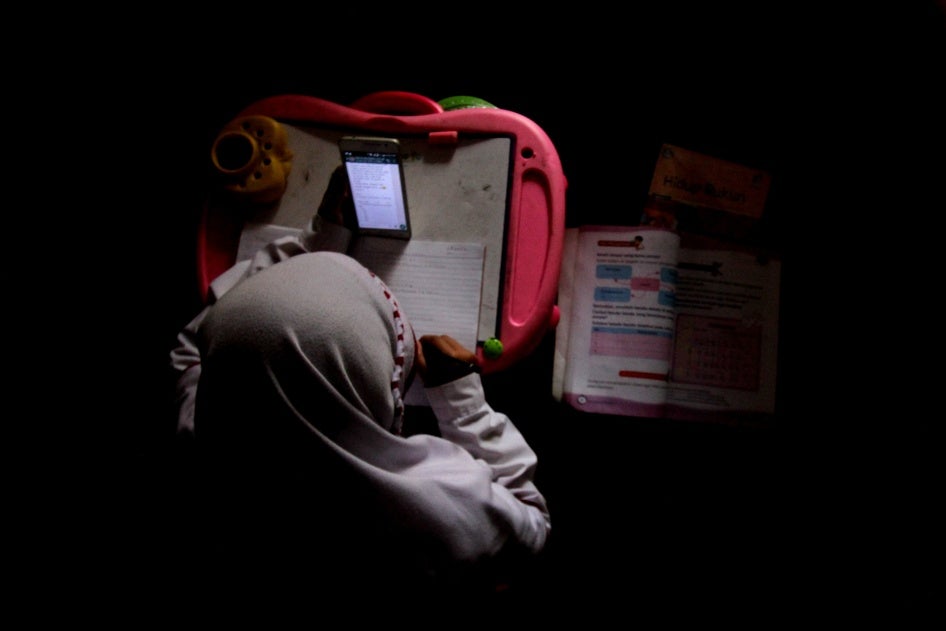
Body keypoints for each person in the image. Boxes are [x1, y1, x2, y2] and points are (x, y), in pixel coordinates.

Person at [168, 183, 551, 600]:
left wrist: (318, 240)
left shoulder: (201, 431)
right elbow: (532, 523)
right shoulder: (442, 513)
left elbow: (194, 348)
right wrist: (462, 401)